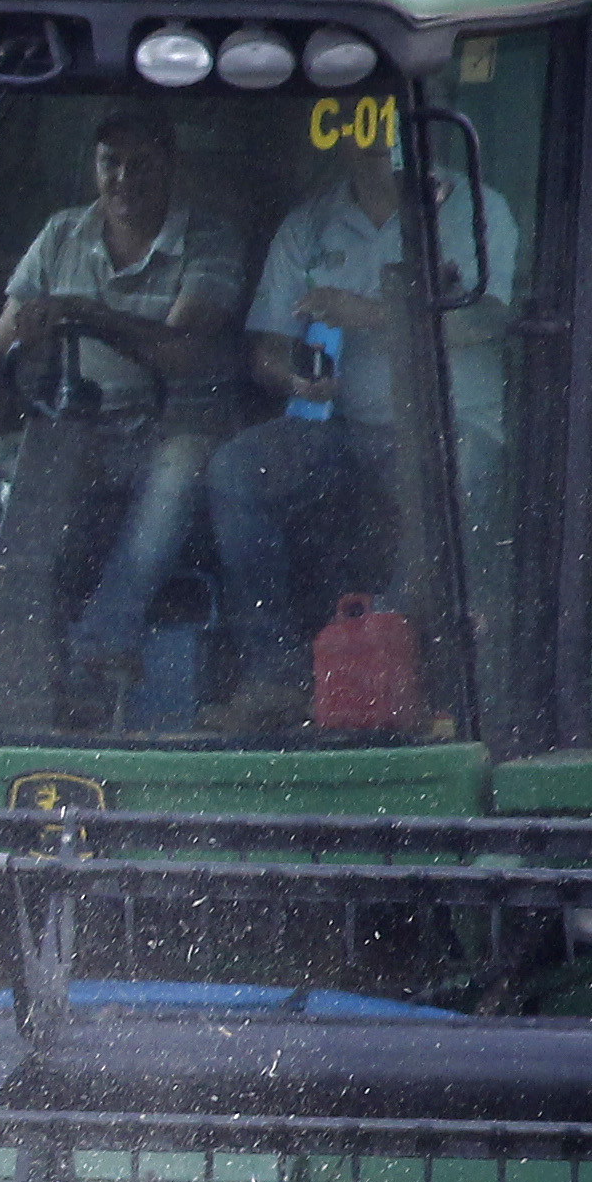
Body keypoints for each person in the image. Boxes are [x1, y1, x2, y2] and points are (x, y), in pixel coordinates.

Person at [0, 112, 246, 733]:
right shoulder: (63, 234)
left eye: (140, 164)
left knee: (182, 467)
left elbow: (184, 348)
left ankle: (100, 652)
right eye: (110, 163)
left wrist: (87, 313)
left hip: (167, 431)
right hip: (68, 430)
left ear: (171, 166)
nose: (123, 179)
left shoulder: (208, 240)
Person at [202, 123, 522, 730]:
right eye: (362, 115)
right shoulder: (310, 224)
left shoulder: (479, 208)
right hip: (343, 426)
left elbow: (487, 321)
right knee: (236, 469)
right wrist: (294, 379)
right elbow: (266, 349)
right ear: (337, 129)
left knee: (455, 480)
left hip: (453, 427)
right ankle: (274, 677)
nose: (378, 132)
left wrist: (371, 314)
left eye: (391, 117)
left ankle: (387, 684)